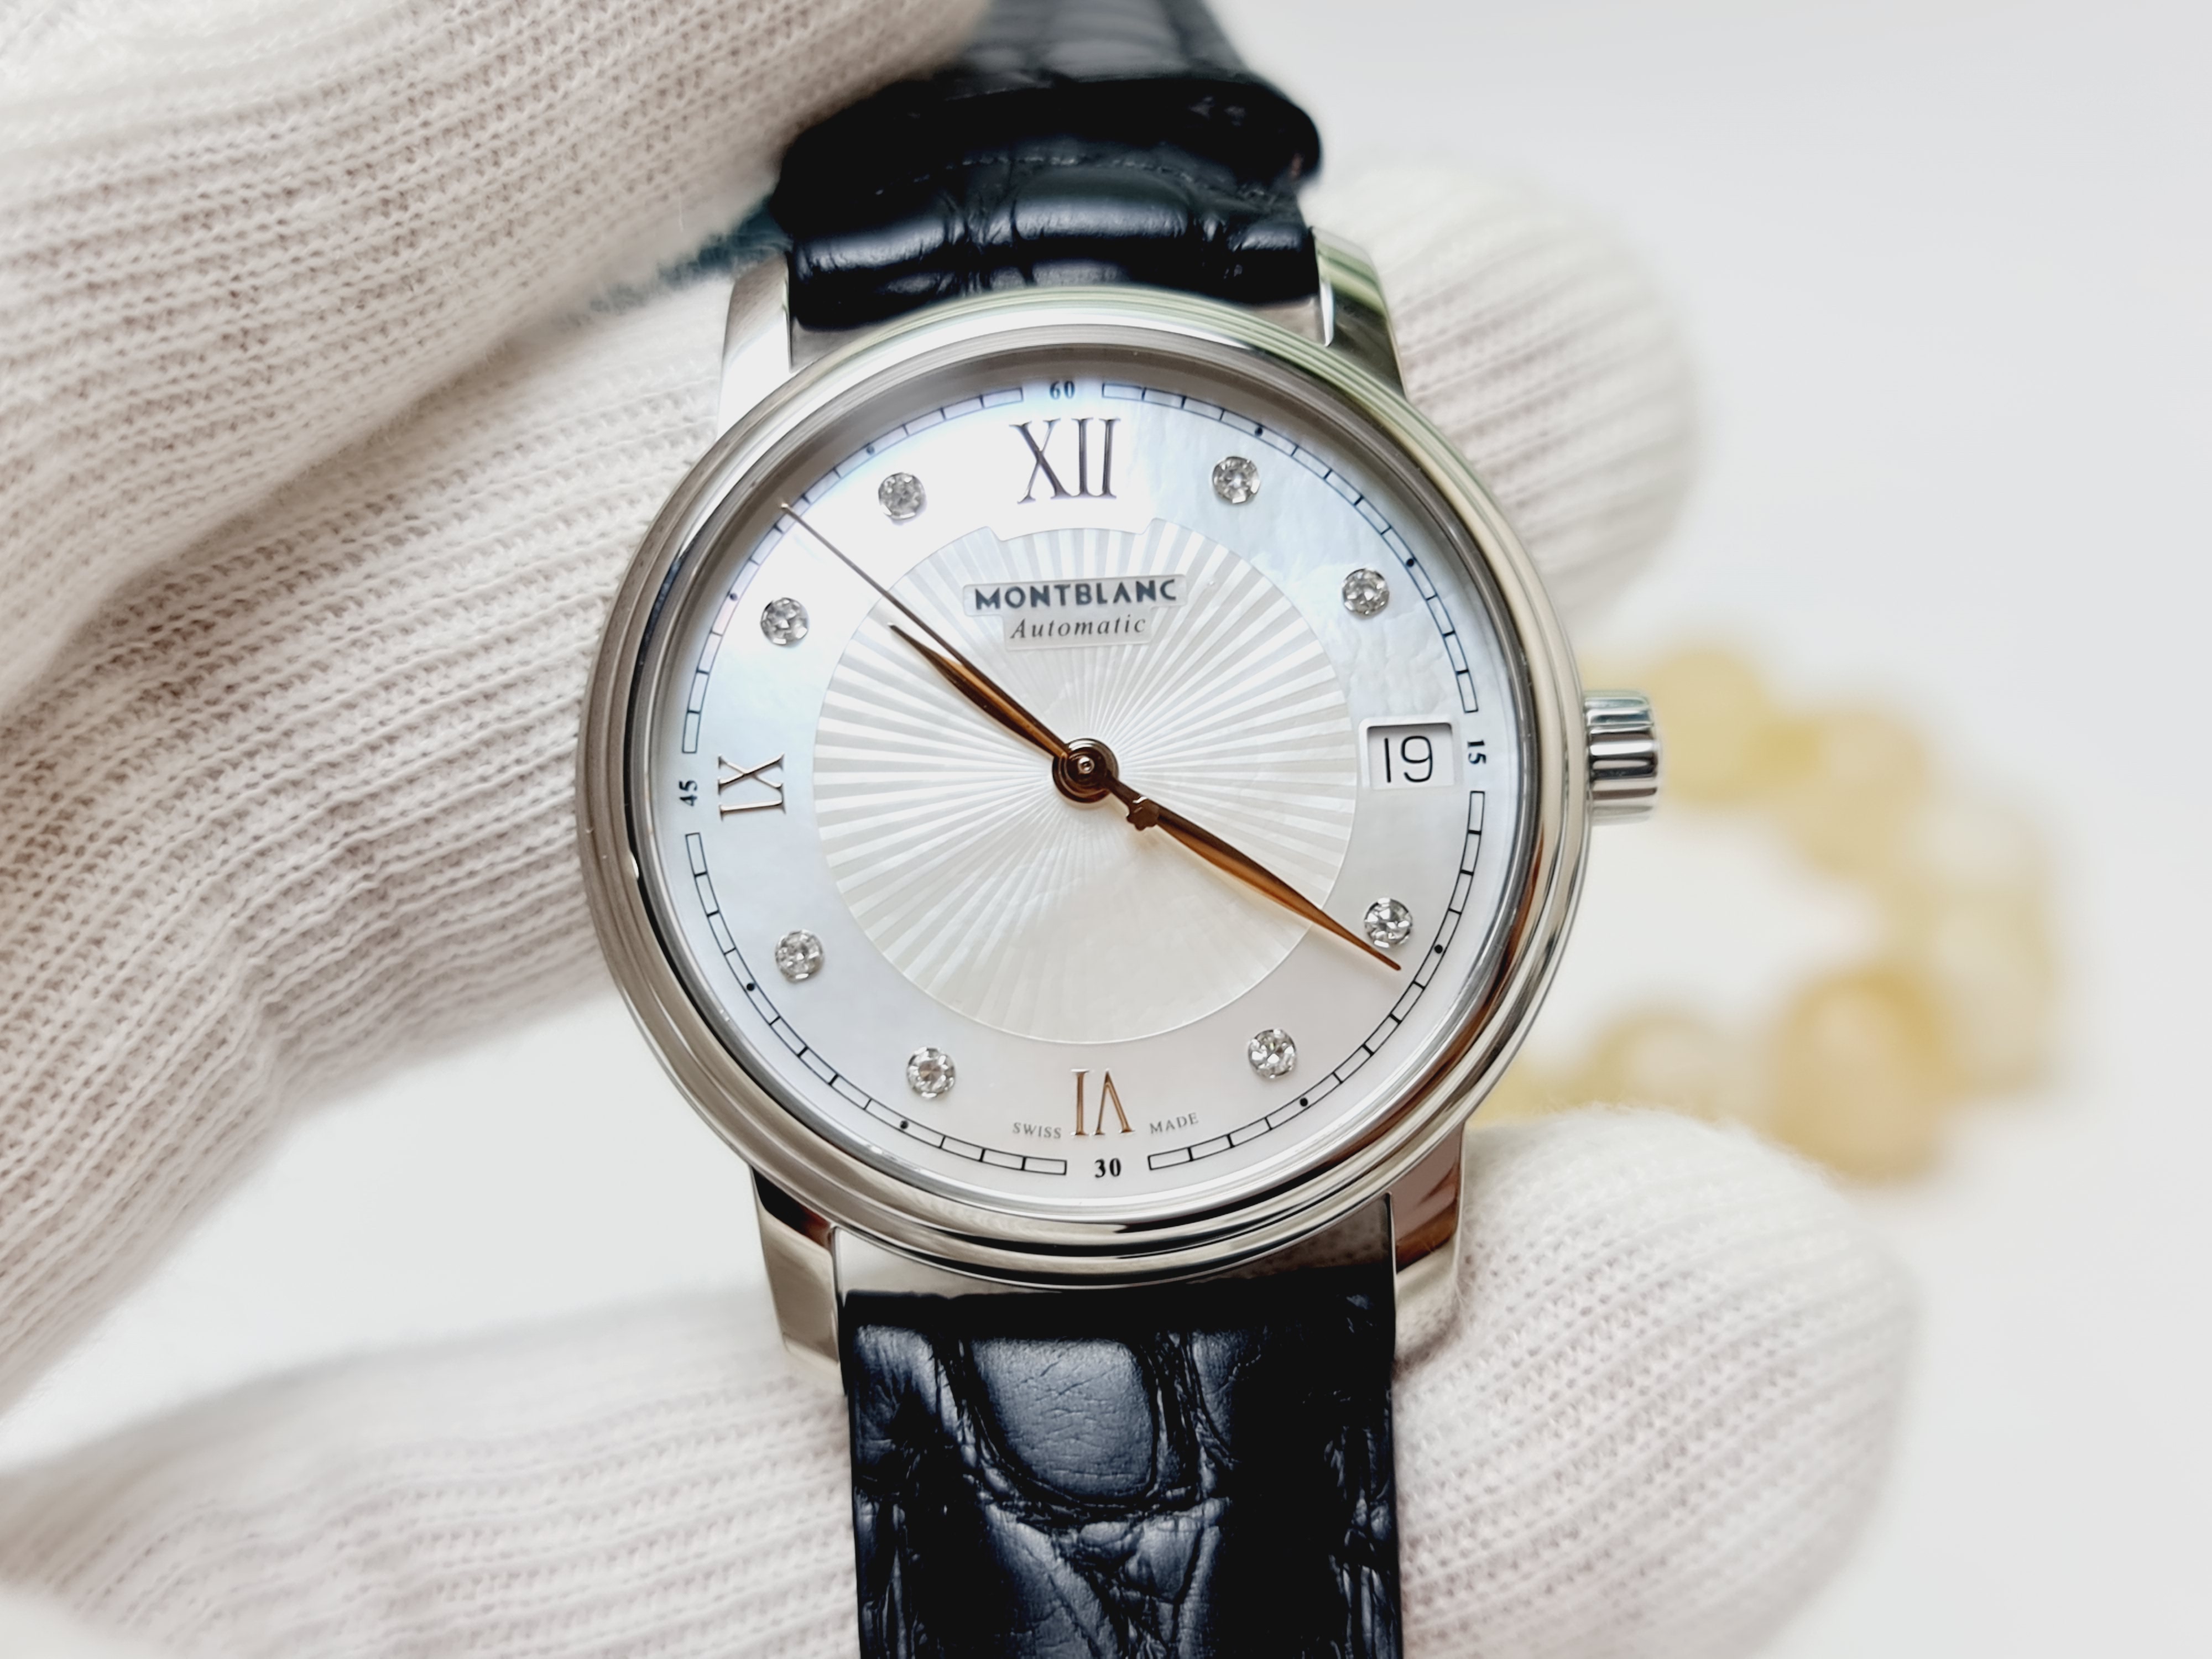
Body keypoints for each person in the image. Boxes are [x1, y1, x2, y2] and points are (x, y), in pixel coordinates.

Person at [0, 1, 1908, 1652]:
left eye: (1104, 769)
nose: (1092, 772)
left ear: (1570, 757)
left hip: (1289, 1166)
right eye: (1072, 764)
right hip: (925, 1179)